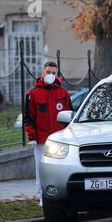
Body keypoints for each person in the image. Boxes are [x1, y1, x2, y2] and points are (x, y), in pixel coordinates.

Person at [24, 62, 72, 206]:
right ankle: (42, 197)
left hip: (60, 140)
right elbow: (29, 117)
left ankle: (63, 194)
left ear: (57, 75)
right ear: (42, 73)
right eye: (48, 72)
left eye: (53, 73)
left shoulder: (63, 94)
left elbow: (70, 116)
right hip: (41, 140)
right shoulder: (33, 94)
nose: (50, 75)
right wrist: (31, 137)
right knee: (41, 169)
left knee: (62, 168)